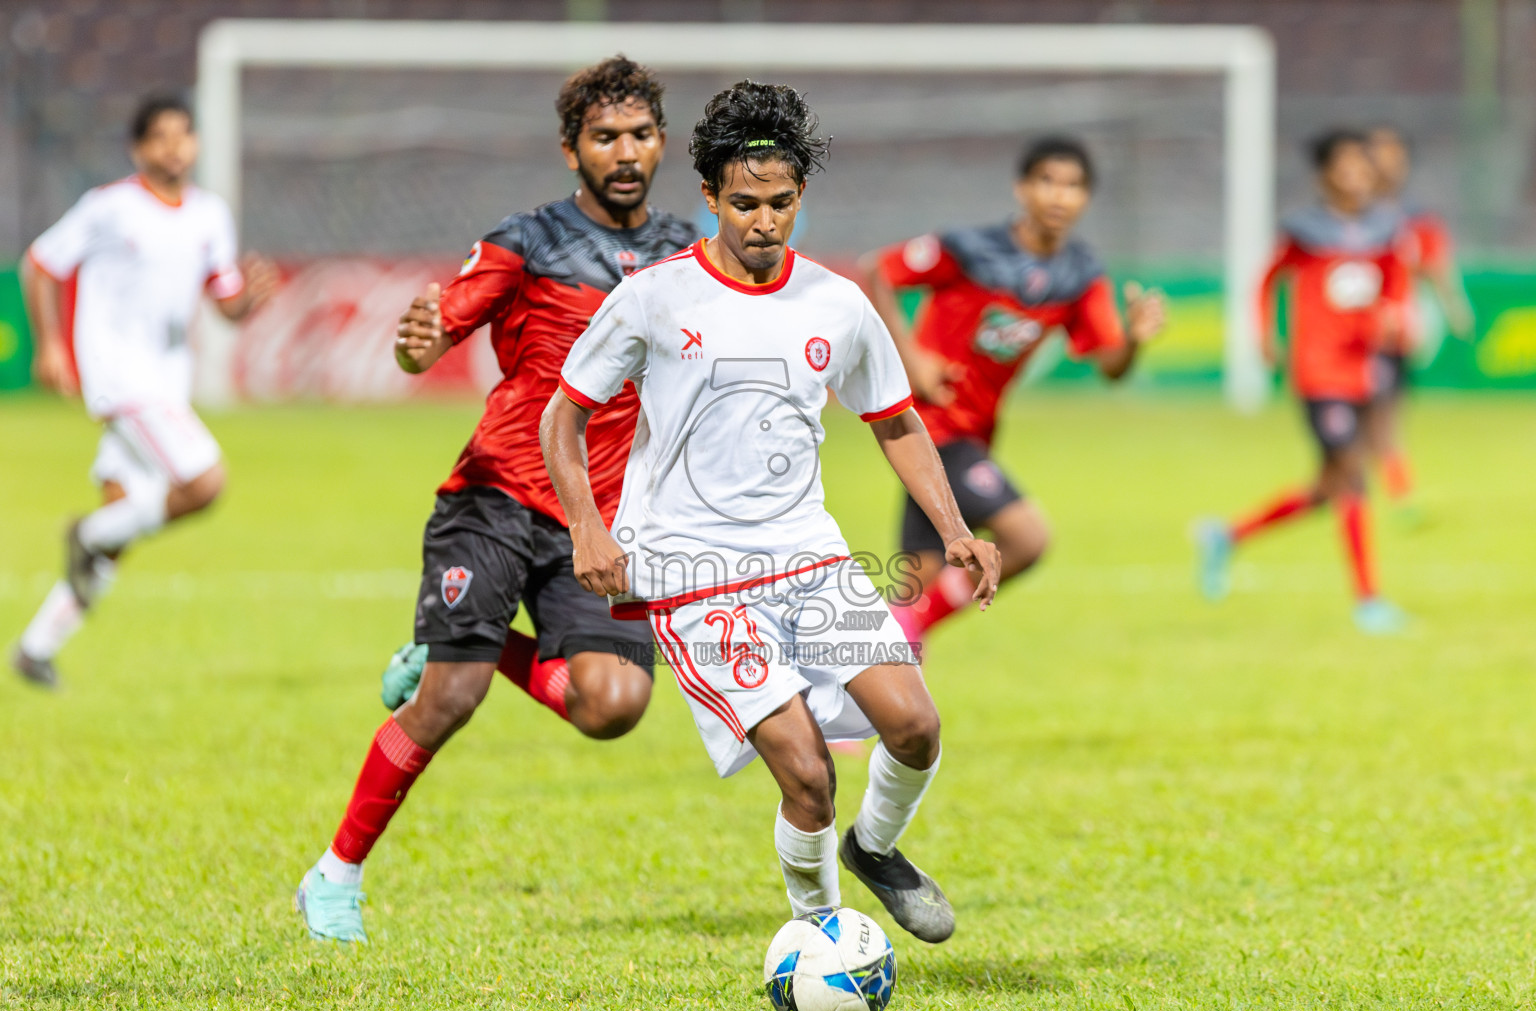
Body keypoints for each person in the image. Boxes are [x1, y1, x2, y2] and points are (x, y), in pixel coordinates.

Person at [542, 81, 1002, 945]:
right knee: (807, 771)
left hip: (809, 558)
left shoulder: (836, 303)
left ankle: (876, 850)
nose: (764, 221)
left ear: (802, 198)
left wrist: (953, 531)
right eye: (744, 203)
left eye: (781, 203)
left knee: (916, 726)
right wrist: (587, 526)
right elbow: (561, 415)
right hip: (694, 573)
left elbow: (895, 419)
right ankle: (820, 938)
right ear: (709, 198)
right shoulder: (655, 298)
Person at [295, 56, 697, 944]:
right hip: (499, 495)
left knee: (612, 707)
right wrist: (415, 342)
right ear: (571, 152)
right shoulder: (529, 239)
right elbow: (429, 341)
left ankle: (451, 642)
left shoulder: (689, 255)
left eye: (638, 135)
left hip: (604, 519)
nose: (623, 152)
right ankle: (336, 876)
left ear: (661, 142)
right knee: (448, 699)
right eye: (603, 138)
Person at [10, 95, 277, 689]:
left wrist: (250, 300)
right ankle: (86, 535)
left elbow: (225, 304)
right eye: (160, 136)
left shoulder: (210, 214)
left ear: (198, 144)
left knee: (121, 521)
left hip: (167, 384)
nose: (174, 147)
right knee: (204, 482)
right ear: (138, 148)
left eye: (184, 135)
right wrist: (51, 345)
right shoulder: (110, 208)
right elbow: (40, 263)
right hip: (118, 373)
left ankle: (35, 647)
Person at [862, 137, 1164, 645]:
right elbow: (875, 273)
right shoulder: (968, 249)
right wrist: (912, 358)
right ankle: (905, 629)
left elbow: (1111, 367)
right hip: (933, 427)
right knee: (1027, 538)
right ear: (1021, 187)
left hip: (973, 435)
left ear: (1086, 198)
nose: (1058, 196)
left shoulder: (1078, 276)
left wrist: (1133, 340)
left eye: (1073, 186)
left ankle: (871, 697)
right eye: (1047, 181)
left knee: (917, 592)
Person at [1196, 129, 1410, 634]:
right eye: (1346, 165)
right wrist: (1268, 332)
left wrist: (1393, 314)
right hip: (1318, 371)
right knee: (1353, 472)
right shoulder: (1305, 231)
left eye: (1363, 165)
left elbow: (1396, 282)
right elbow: (1268, 279)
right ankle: (1368, 600)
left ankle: (1227, 535)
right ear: (1326, 175)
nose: (1357, 175)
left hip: (1361, 370)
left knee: (1328, 487)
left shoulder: (1384, 229)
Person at [1364, 124, 1474, 516]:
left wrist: (1455, 308)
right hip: (1355, 335)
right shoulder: (1346, 219)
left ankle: (1388, 492)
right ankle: (1394, 493)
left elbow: (1436, 266)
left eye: (1395, 156)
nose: (1387, 165)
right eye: (1378, 154)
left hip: (1395, 335)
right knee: (1370, 418)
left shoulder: (1414, 218)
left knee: (1385, 416)